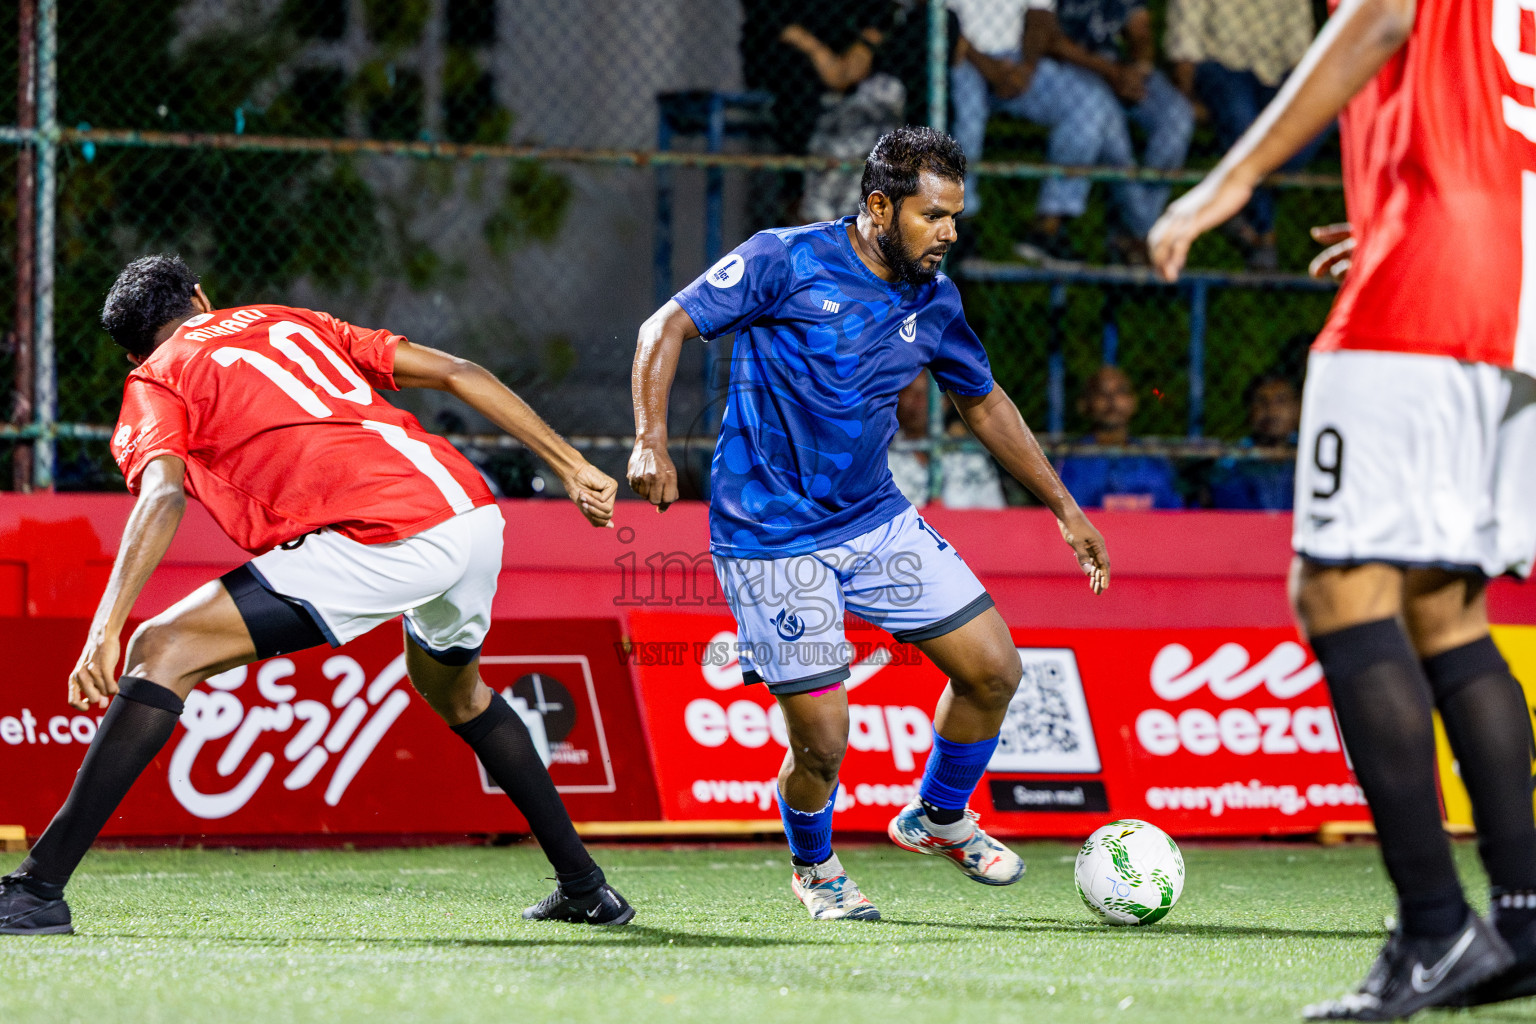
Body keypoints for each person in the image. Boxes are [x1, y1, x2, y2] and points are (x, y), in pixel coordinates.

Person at [0, 255, 633, 935]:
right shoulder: (289, 320)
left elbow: (160, 495)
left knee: (160, 648)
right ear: (201, 296)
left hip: (385, 536)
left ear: (131, 348)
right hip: (473, 517)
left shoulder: (156, 375)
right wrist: (571, 465)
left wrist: (105, 628)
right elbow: (458, 372)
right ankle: (585, 888)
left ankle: (36, 891)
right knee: (456, 692)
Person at [1151, 0, 1536, 1017]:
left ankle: (1434, 930)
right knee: (1445, 608)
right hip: (1516, 273)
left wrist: (1232, 178)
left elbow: (1379, 19)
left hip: (1433, 279)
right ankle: (1527, 915)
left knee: (1338, 590)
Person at [628, 126, 1109, 921]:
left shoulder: (936, 298)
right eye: (933, 216)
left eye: (956, 217)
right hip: (770, 536)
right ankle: (815, 869)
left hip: (873, 519)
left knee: (994, 670)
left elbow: (981, 400)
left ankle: (940, 816)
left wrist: (1063, 506)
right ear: (879, 206)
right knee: (822, 742)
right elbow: (663, 327)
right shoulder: (784, 258)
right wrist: (650, 440)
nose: (949, 233)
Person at [948, 0, 1193, 263]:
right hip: (963, 54)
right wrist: (989, 67)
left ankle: (1049, 227)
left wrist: (1027, 69)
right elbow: (940, 19)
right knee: (967, 117)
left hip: (1022, 58)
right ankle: (961, 222)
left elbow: (1040, 14)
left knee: (1089, 103)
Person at [1164, 0, 1321, 270]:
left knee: (1323, 113)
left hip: (1274, 77)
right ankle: (1264, 231)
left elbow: (1300, 56)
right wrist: (1186, 99)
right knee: (1243, 118)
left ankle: (1236, 208)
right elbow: (1185, 41)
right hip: (1220, 69)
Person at [1055, 365, 1182, 509]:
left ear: (1133, 402)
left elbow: (1173, 509)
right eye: (1102, 393)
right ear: (1085, 404)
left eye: (1120, 391)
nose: (1112, 399)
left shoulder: (1154, 461)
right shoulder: (1072, 462)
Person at [1207, 372, 1300, 510]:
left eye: (1281, 401)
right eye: (1261, 401)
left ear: (1296, 408)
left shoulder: (1310, 454)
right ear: (1249, 410)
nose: (1272, 411)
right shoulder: (1230, 462)